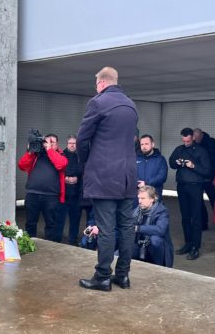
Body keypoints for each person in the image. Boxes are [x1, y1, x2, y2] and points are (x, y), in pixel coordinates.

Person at [77, 66, 138, 291]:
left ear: (102, 83)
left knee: (106, 228)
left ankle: (102, 277)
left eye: (96, 86)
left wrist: (86, 163)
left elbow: (82, 138)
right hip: (127, 176)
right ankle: (123, 275)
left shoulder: (98, 102)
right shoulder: (131, 105)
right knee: (127, 227)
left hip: (104, 176)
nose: (97, 89)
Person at [169, 127, 211, 260]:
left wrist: (193, 166)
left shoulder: (201, 151)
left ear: (192, 137)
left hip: (195, 187)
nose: (186, 143)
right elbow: (171, 163)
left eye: (188, 140)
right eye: (184, 140)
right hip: (182, 186)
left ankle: (195, 247)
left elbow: (207, 171)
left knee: (196, 218)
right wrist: (177, 162)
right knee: (185, 217)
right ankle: (188, 243)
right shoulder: (179, 149)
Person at [18, 133, 68, 241]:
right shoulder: (36, 154)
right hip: (33, 194)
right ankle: (29, 244)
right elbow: (22, 165)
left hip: (51, 197)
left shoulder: (61, 155)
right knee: (30, 223)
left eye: (52, 142)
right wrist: (30, 152)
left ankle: (51, 249)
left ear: (56, 144)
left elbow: (61, 164)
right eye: (46, 142)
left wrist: (50, 150)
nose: (48, 145)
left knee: (51, 225)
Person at [133, 186, 174, 267]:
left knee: (155, 240)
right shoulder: (137, 210)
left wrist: (138, 228)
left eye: (143, 198)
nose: (140, 201)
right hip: (140, 245)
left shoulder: (162, 211)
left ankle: (160, 267)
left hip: (154, 248)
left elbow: (160, 230)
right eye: (139, 198)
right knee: (118, 254)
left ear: (152, 199)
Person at [54, 135, 82, 244]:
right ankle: (57, 239)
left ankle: (73, 240)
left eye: (74, 143)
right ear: (67, 144)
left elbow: (82, 170)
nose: (72, 145)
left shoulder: (80, 157)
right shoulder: (62, 155)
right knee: (60, 219)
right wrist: (65, 177)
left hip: (76, 194)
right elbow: (58, 169)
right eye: (70, 143)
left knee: (75, 219)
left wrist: (77, 178)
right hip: (63, 194)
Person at [193, 128, 215, 230]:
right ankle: (203, 224)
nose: (195, 140)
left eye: (197, 138)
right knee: (199, 202)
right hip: (198, 178)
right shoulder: (194, 143)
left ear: (201, 135)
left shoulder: (212, 143)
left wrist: (214, 174)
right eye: (194, 139)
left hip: (210, 178)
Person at [137, 134, 168, 202]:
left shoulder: (160, 159)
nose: (144, 146)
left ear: (153, 144)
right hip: (138, 196)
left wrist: (146, 183)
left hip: (154, 195)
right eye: (142, 144)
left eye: (146, 144)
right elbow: (130, 173)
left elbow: (162, 176)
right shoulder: (136, 158)